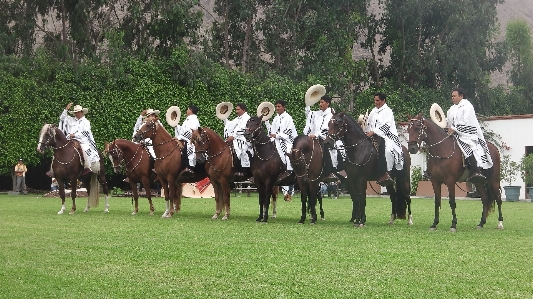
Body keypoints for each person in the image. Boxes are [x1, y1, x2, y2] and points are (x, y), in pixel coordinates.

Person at [446, 87, 493, 182]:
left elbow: (467, 122)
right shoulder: (451, 109)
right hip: (454, 134)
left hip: (467, 135)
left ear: (461, 96)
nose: (452, 98)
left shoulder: (468, 106)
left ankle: (476, 170)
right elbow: (449, 121)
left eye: (454, 96)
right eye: (452, 96)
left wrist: (454, 129)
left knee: (468, 147)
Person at [48, 102, 98, 177]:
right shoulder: (70, 119)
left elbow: (86, 132)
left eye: (78, 112)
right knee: (58, 149)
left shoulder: (86, 122)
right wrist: (66, 109)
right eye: (75, 113)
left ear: (82, 112)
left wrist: (74, 135)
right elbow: (62, 118)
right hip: (69, 140)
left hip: (82, 140)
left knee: (85, 149)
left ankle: (86, 167)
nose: (76, 114)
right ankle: (52, 169)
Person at [364, 92, 404, 186]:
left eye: (377, 100)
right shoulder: (373, 111)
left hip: (387, 137)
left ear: (383, 101)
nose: (375, 102)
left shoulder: (388, 111)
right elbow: (368, 125)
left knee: (387, 151)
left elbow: (386, 126)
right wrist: (366, 130)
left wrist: (374, 132)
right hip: (372, 136)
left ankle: (386, 173)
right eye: (374, 100)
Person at [303, 95, 339, 181]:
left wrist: (316, 134)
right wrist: (308, 104)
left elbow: (327, 128)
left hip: (325, 137)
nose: (320, 104)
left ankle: (330, 172)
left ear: (328, 103)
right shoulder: (318, 113)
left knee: (326, 149)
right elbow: (309, 114)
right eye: (320, 102)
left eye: (322, 102)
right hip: (314, 137)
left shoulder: (331, 114)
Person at [265, 100, 298, 183]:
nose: (277, 108)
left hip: (287, 140)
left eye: (279, 106)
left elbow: (289, 131)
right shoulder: (276, 118)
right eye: (276, 106)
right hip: (277, 139)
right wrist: (266, 121)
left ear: (284, 107)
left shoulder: (288, 118)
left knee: (287, 152)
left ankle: (288, 171)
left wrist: (277, 135)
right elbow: (272, 130)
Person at [223, 103, 253, 180]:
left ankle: (241, 170)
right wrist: (224, 118)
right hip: (235, 139)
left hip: (244, 139)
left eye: (238, 109)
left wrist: (233, 137)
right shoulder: (238, 119)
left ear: (243, 110)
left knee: (239, 150)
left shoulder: (247, 118)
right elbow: (229, 125)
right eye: (236, 109)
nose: (236, 111)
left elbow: (244, 130)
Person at [175, 105, 200, 177]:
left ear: (191, 110)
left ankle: (189, 168)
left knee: (186, 148)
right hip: (185, 138)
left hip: (190, 140)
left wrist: (179, 137)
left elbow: (192, 131)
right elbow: (183, 130)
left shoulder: (194, 119)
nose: (186, 111)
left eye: (187, 109)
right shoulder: (188, 119)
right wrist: (176, 125)